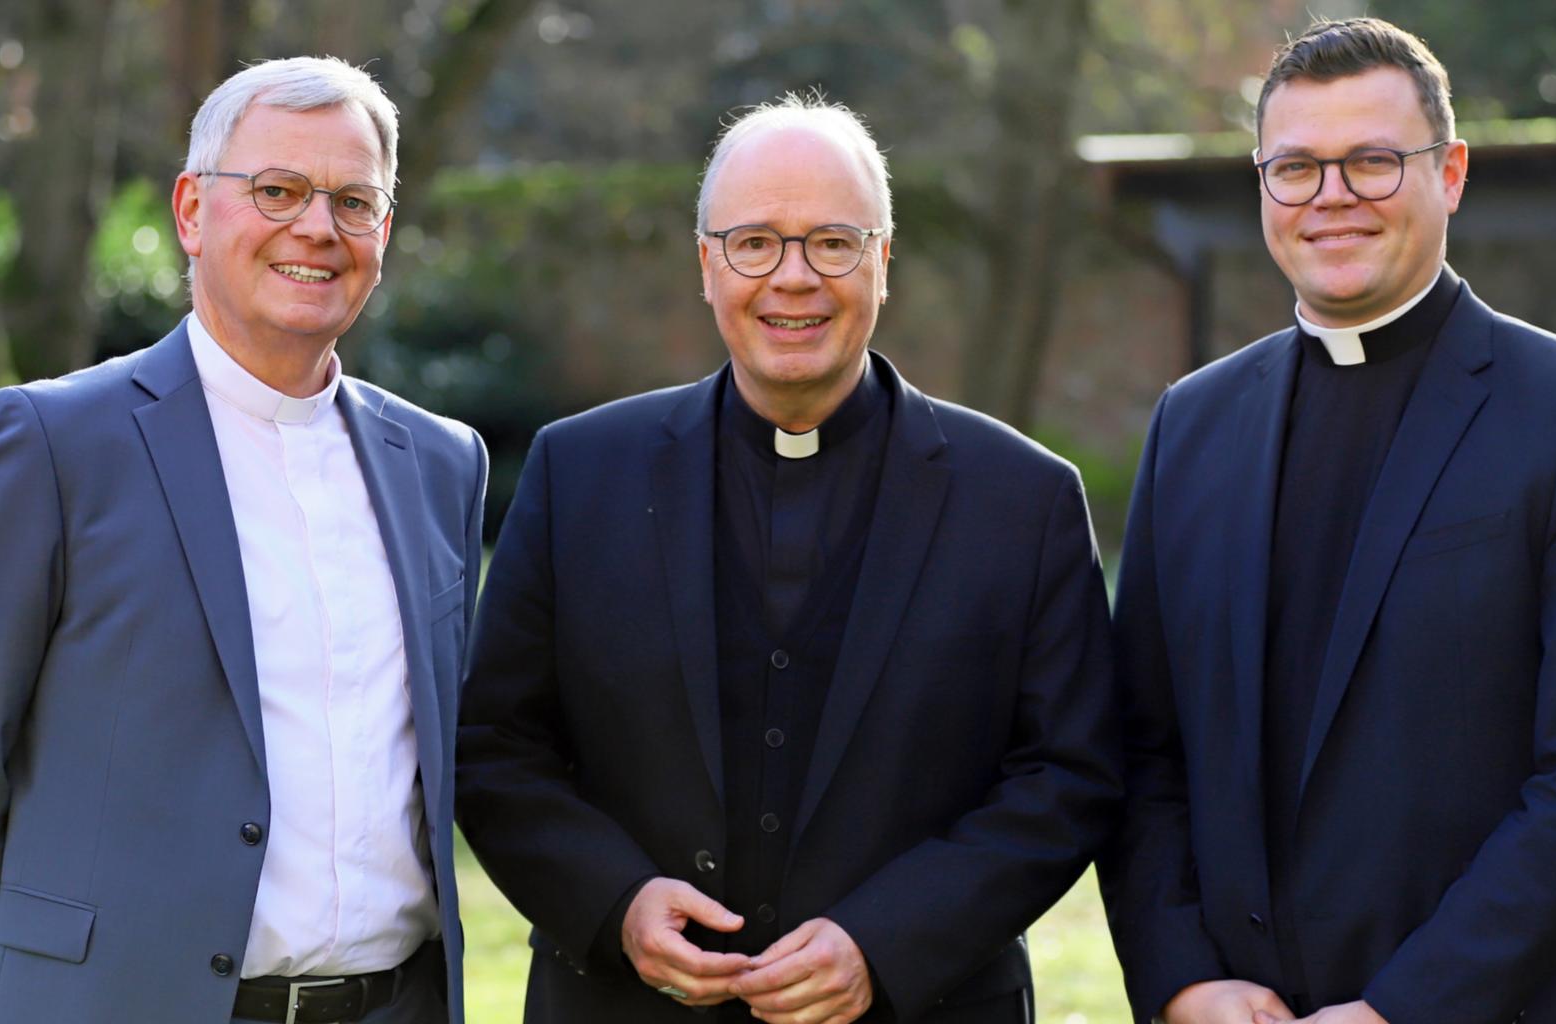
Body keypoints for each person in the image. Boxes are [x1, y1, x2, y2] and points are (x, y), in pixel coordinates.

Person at [456, 94, 1120, 1024]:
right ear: (706, 264)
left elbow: (1068, 776)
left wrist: (886, 942)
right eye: (755, 243)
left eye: (833, 243)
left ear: (883, 261)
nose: (793, 278)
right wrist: (615, 906)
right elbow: (497, 748)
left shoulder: (1022, 499)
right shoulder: (579, 473)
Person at [1100, 18, 1556, 1024]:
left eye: (1372, 162)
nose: (1330, 198)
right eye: (1294, 168)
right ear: (1261, 185)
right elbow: (1138, 746)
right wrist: (1182, 976)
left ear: (1449, 171)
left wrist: (1403, 1008)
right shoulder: (1190, 423)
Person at [0, 57, 485, 1024]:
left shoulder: (443, 464)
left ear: (384, 232)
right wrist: (23, 1001)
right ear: (193, 211)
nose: (317, 228)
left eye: (353, 202)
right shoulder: (53, 443)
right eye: (278, 190)